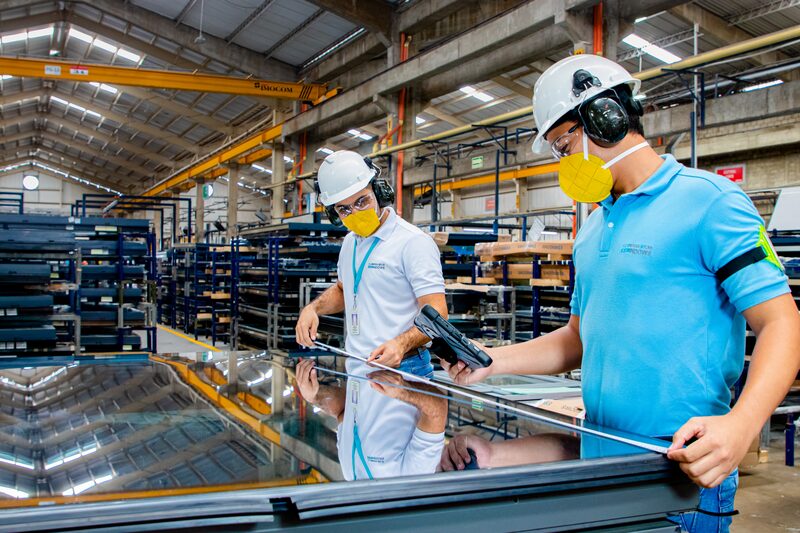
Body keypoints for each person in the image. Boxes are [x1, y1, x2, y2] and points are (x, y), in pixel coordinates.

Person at [441, 54, 800, 532]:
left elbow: (782, 323)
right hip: (602, 463)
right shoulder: (593, 230)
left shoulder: (711, 203)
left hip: (679, 468)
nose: (565, 162)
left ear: (604, 118)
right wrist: (493, 361)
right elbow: (577, 339)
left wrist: (742, 424)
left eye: (564, 144)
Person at [295, 150, 449, 480]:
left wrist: (402, 343)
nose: (355, 213)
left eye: (362, 201)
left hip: (403, 370)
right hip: (358, 367)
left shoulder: (413, 244)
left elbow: (437, 311)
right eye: (344, 209)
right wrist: (314, 308)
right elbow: (345, 288)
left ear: (377, 190)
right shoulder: (350, 243)